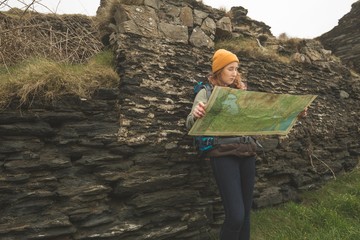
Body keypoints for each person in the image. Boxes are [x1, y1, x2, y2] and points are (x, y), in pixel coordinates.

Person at [186, 49, 256, 240]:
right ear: (219, 71)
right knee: (235, 216)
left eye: (236, 69)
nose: (234, 73)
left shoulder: (241, 92)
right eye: (230, 68)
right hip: (223, 154)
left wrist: (295, 115)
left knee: (246, 215)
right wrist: (196, 115)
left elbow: (255, 119)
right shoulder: (206, 92)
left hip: (247, 152)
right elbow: (189, 122)